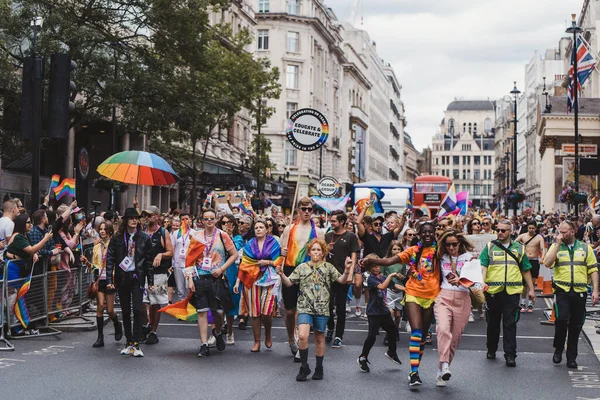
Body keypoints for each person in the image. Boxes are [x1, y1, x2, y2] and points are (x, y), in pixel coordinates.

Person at [360, 222, 440, 389]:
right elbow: (389, 260)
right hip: (412, 293)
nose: (427, 235)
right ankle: (414, 373)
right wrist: (369, 259)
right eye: (423, 232)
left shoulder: (439, 251)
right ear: (419, 234)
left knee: (424, 335)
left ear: (434, 234)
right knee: (416, 332)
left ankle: (415, 367)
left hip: (431, 296)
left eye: (430, 232)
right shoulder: (412, 251)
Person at [277, 238, 353, 381]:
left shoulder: (328, 267)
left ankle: (319, 368)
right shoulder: (301, 267)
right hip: (304, 306)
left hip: (322, 307)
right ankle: (304, 367)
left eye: (319, 250)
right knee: (302, 336)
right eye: (313, 250)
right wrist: (281, 274)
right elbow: (289, 283)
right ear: (309, 252)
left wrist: (347, 270)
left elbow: (342, 280)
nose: (316, 252)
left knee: (319, 337)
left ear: (323, 252)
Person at [480, 219, 536, 367]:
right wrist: (482, 282)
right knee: (493, 323)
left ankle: (510, 355)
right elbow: (483, 266)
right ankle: (491, 349)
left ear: (510, 232)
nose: (499, 232)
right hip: (493, 292)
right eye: (497, 230)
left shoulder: (519, 248)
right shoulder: (489, 246)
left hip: (512, 293)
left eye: (503, 230)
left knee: (510, 323)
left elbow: (525, 269)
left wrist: (531, 289)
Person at [544, 221, 599, 368]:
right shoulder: (556, 247)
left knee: (576, 325)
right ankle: (559, 348)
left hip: (580, 292)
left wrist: (595, 290)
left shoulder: (585, 248)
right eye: (560, 232)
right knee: (561, 320)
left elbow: (593, 269)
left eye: (564, 232)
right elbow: (547, 263)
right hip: (562, 291)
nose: (561, 235)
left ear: (572, 232)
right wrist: (556, 245)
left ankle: (571, 357)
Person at [185, 208, 238, 358]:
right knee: (202, 311)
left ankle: (218, 332)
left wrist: (222, 269)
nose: (209, 221)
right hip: (201, 277)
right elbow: (189, 260)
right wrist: (190, 279)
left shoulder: (223, 235)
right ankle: (203, 344)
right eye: (206, 219)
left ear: (216, 220)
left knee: (219, 312)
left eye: (212, 218)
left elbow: (233, 255)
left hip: (217, 278)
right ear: (201, 221)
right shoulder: (196, 236)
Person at [279, 197, 325, 361]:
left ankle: (300, 342)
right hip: (290, 269)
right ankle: (291, 338)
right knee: (290, 311)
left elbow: (322, 254)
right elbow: (282, 250)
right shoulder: (289, 229)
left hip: (308, 271)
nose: (307, 212)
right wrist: (282, 254)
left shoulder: (318, 231)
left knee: (302, 310)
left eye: (310, 209)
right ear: (298, 210)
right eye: (304, 209)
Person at [106, 208, 154, 357]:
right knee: (125, 311)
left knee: (138, 310)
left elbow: (149, 261)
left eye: (136, 218)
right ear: (126, 220)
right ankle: (128, 341)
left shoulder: (144, 238)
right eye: (131, 218)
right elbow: (110, 259)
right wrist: (109, 279)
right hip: (122, 277)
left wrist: (150, 280)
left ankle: (136, 342)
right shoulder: (117, 237)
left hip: (137, 277)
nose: (134, 220)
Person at [433, 230, 474, 387]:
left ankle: (441, 370)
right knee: (443, 329)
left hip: (463, 299)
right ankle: (444, 365)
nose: (451, 247)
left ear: (460, 243)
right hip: (444, 296)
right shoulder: (440, 257)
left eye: (454, 244)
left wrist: (462, 281)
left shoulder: (469, 258)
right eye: (448, 244)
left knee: (455, 338)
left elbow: (475, 281)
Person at [235, 219, 282, 352]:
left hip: (269, 278)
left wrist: (267, 262)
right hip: (252, 278)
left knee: (266, 311)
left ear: (267, 230)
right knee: (255, 313)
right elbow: (244, 263)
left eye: (261, 227)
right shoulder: (249, 244)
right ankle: (257, 342)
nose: (259, 229)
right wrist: (238, 281)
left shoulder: (274, 243)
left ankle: (267, 332)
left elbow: (279, 260)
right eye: (256, 228)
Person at [357, 254, 403, 373]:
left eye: (378, 266)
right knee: (372, 336)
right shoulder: (371, 279)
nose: (377, 268)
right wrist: (392, 275)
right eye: (374, 266)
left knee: (392, 331)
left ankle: (391, 352)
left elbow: (394, 286)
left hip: (383, 311)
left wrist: (408, 289)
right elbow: (382, 287)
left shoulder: (383, 277)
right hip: (374, 312)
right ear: (369, 268)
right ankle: (363, 357)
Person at [81, 220, 123, 348]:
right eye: (101, 229)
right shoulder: (96, 247)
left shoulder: (114, 244)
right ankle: (100, 337)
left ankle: (117, 323)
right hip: (100, 280)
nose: (102, 231)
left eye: (105, 229)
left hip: (111, 279)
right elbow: (95, 266)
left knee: (110, 310)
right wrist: (87, 262)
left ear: (110, 231)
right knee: (100, 306)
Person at [324, 210, 360, 348]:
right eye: (331, 221)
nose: (331, 223)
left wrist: (350, 273)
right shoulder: (327, 236)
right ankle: (330, 327)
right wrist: (327, 248)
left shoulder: (350, 236)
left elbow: (354, 255)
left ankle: (339, 335)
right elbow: (322, 254)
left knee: (340, 307)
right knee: (327, 305)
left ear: (342, 222)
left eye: (334, 221)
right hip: (328, 275)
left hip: (343, 275)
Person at [140, 206, 173, 345]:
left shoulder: (163, 232)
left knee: (156, 302)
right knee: (141, 301)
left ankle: (153, 331)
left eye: (150, 215)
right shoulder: (142, 232)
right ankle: (146, 324)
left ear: (156, 216)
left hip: (158, 273)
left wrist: (161, 254)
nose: (147, 218)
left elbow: (171, 252)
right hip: (143, 272)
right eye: (145, 215)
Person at [217, 213, 244, 345]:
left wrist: (229, 236)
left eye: (229, 222)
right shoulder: (216, 237)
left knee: (231, 304)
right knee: (217, 304)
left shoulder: (238, 238)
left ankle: (229, 331)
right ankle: (217, 332)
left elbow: (233, 249)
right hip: (217, 271)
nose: (226, 225)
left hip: (232, 272)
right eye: (223, 223)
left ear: (233, 225)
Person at [516, 220, 546, 313]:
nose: (531, 230)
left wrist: (543, 257)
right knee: (524, 285)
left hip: (534, 261)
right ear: (527, 228)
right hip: (525, 261)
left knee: (531, 284)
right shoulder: (522, 236)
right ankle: (522, 302)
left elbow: (542, 248)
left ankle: (529, 303)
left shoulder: (539, 237)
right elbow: (513, 245)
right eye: (530, 228)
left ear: (536, 228)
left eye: (533, 228)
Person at [382, 240, 406, 345]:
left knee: (397, 314)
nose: (396, 251)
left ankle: (395, 329)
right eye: (394, 249)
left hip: (399, 289)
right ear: (390, 250)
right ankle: (389, 333)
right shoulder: (386, 261)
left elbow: (404, 276)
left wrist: (401, 277)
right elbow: (382, 275)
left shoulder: (402, 263)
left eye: (398, 249)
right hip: (388, 289)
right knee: (390, 312)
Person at [170, 214, 193, 302]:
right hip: (178, 264)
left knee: (189, 288)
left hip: (190, 265)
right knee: (180, 290)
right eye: (182, 219)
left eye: (186, 219)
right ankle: (182, 313)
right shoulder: (176, 233)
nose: (185, 221)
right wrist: (171, 264)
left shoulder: (194, 233)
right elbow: (172, 248)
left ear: (190, 220)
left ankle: (190, 310)